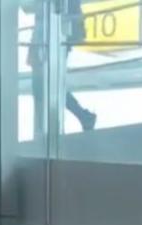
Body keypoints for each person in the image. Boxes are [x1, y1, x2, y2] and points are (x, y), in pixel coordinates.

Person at [26, 0, 97, 136]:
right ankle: (82, 116)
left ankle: (79, 117)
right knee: (45, 86)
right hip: (50, 35)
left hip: (50, 36)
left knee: (44, 85)